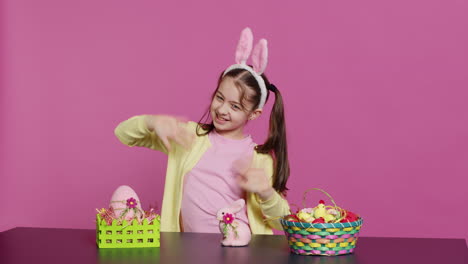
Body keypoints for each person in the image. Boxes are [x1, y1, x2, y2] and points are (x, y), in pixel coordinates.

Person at [114, 28, 290, 234]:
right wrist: (151, 122)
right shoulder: (189, 137)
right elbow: (122, 134)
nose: (222, 110)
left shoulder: (259, 159)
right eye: (219, 98)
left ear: (253, 114)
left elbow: (284, 223)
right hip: (185, 251)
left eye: (235, 106)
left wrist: (267, 193)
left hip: (238, 253)